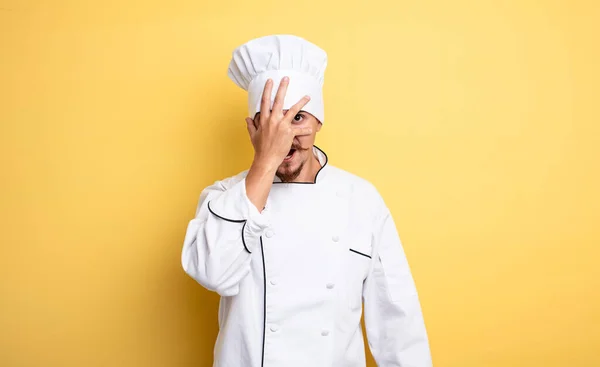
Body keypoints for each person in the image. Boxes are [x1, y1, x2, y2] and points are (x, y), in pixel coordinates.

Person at [181, 34, 432, 367]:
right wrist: (265, 162)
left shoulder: (361, 199)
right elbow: (213, 273)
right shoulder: (224, 197)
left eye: (296, 118)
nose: (284, 134)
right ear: (253, 127)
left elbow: (397, 319)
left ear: (318, 121)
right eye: (270, 119)